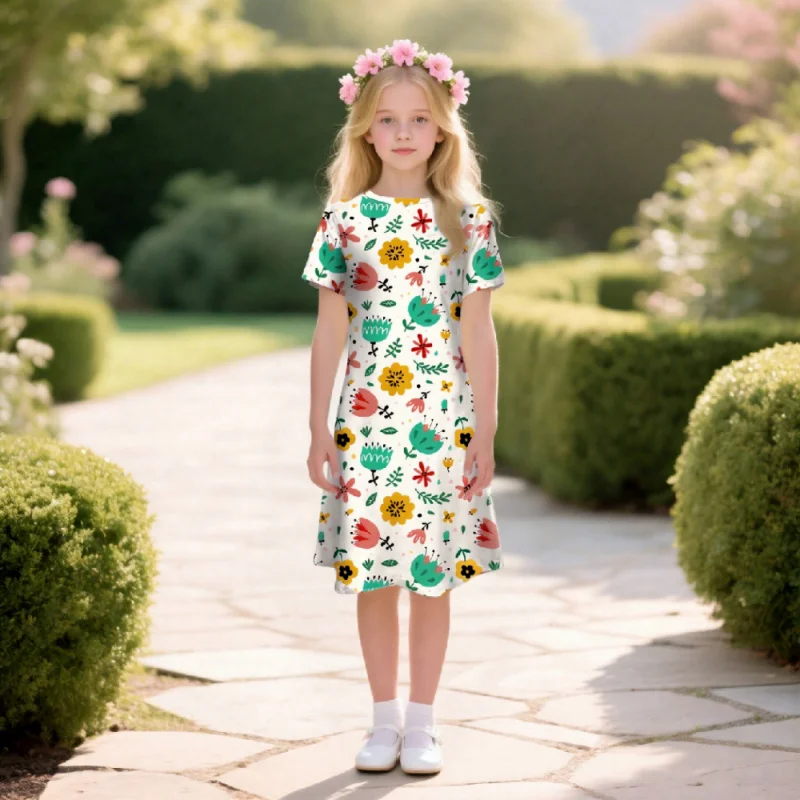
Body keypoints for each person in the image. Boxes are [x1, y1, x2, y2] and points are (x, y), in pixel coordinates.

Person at [301, 39, 505, 776]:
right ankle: (382, 721)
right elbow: (330, 329)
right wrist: (318, 427)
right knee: (376, 573)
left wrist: (485, 427)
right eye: (388, 120)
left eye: (420, 118)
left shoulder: (468, 220)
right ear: (365, 129)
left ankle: (423, 724)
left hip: (441, 424)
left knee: (431, 574)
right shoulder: (345, 221)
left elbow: (477, 330)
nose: (405, 132)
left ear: (445, 126)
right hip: (366, 423)